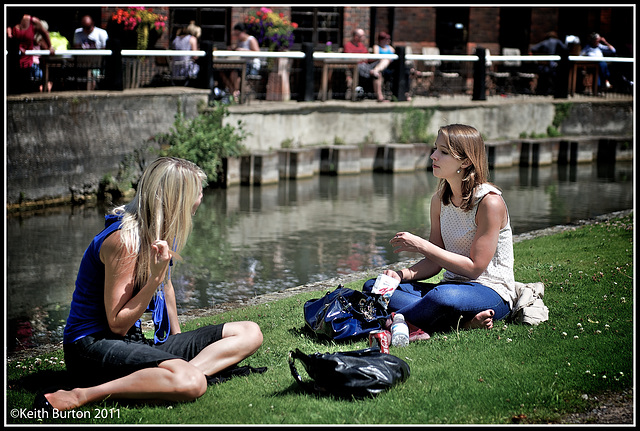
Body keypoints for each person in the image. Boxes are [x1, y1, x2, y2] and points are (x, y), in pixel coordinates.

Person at [34, 157, 264, 412]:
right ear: (178, 198)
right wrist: (154, 276)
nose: (201, 197)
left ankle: (171, 377)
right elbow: (117, 324)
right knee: (193, 384)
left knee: (249, 332)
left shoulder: (162, 231)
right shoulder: (124, 240)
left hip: (132, 342)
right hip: (91, 347)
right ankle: (82, 395)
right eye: (197, 192)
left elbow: (166, 287)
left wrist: (178, 341)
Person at [363, 124, 516, 339]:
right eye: (435, 149)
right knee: (376, 286)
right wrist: (399, 275)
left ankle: (392, 322)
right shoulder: (439, 201)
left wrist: (421, 245)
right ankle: (460, 323)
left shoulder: (489, 202)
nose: (433, 156)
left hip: (489, 291)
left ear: (465, 161)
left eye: (443, 152)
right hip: (450, 288)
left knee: (441, 298)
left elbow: (474, 269)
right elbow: (435, 263)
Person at [7, 14, 55, 93]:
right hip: (15, 59)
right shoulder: (11, 22)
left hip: (28, 62)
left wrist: (50, 47)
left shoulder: (34, 22)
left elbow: (45, 33)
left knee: (29, 85)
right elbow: (10, 36)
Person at [219, 23, 261, 101]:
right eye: (235, 34)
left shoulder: (251, 39)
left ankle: (234, 94)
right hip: (242, 64)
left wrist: (243, 50)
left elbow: (257, 53)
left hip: (252, 65)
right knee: (224, 72)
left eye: (238, 34)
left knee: (236, 73)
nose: (237, 36)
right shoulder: (239, 41)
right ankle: (234, 92)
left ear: (243, 31)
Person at [344, 28, 387, 102]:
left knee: (385, 60)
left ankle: (375, 71)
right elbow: (349, 59)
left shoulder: (361, 45)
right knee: (377, 75)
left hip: (366, 66)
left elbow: (367, 58)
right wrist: (361, 59)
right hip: (356, 67)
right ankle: (380, 96)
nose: (364, 37)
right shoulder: (348, 45)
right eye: (362, 36)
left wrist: (376, 58)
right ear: (356, 36)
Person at [529, 31, 567, 95]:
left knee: (543, 76)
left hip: (544, 66)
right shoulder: (558, 41)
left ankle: (542, 90)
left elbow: (533, 48)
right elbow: (565, 49)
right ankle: (554, 89)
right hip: (554, 65)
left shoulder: (544, 42)